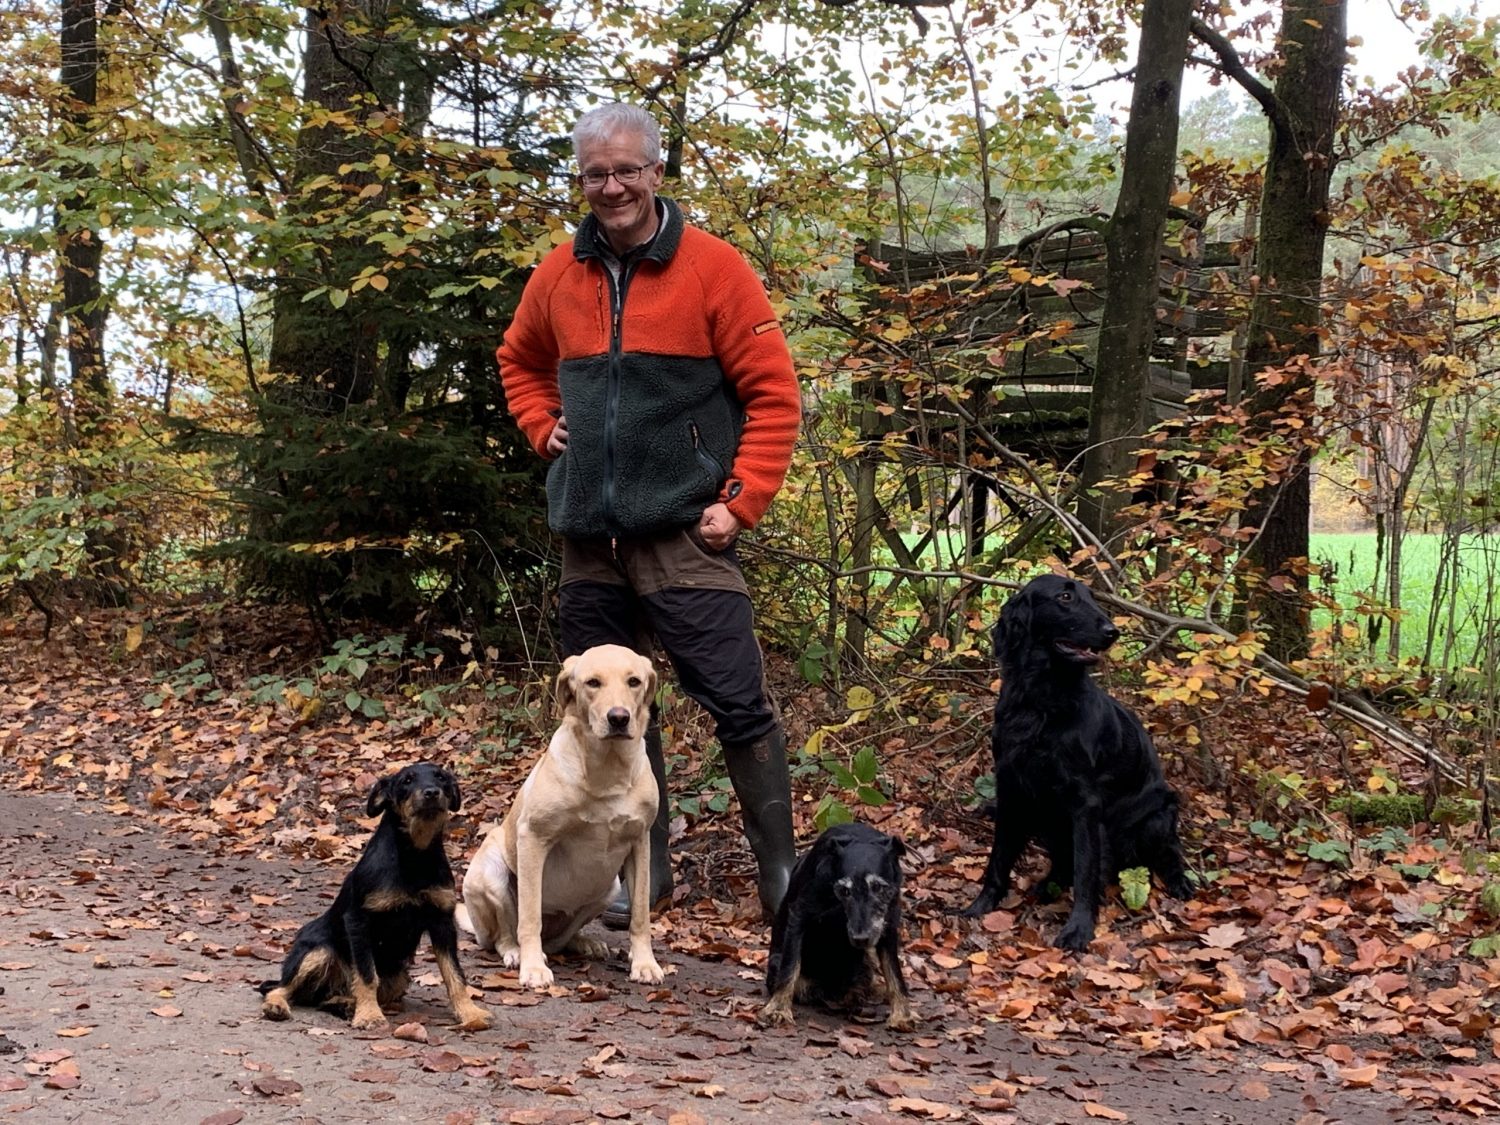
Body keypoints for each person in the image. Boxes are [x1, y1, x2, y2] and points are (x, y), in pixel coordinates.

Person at [496, 102, 802, 924]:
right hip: (589, 540)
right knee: (613, 705)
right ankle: (646, 874)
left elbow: (774, 394)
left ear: (657, 172)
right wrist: (538, 421)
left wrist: (742, 502)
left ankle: (782, 874)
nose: (612, 186)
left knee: (737, 700)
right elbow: (518, 359)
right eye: (595, 172)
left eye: (627, 169)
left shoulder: (714, 268)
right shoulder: (558, 273)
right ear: (582, 179)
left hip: (685, 532)